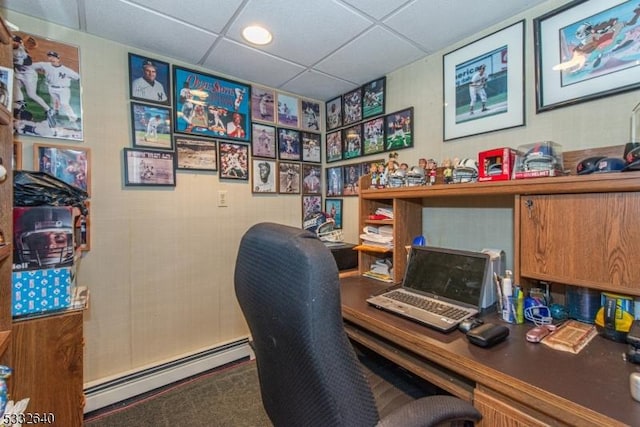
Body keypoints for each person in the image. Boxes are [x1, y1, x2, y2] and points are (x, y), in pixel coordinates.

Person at [12, 35, 55, 127]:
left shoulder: (20, 51)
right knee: (14, 87)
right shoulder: (14, 47)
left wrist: (16, 61)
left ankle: (48, 109)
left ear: (19, 43)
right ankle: (19, 107)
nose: (12, 42)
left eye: (14, 41)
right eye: (12, 40)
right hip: (19, 73)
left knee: (31, 94)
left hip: (29, 75)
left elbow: (29, 62)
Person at [32, 51, 81, 127]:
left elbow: (78, 77)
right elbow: (32, 66)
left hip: (63, 89)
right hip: (51, 88)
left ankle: (74, 120)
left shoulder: (66, 70)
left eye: (54, 57)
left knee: (64, 104)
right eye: (50, 57)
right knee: (55, 104)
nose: (51, 58)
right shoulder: (45, 65)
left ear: (58, 59)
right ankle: (55, 117)